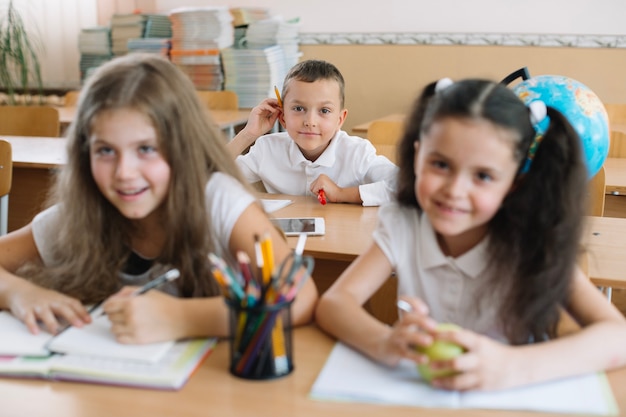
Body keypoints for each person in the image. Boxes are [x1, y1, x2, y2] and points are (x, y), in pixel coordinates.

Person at [315, 78, 626, 391]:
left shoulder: (529, 238)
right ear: (418, 155)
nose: (455, 190)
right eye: (440, 164)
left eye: (483, 175)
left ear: (513, 182)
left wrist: (511, 366)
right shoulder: (403, 222)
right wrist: (384, 341)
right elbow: (335, 302)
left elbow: (618, 337)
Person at [0, 53, 317, 344]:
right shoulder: (83, 211)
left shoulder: (219, 200)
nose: (124, 172)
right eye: (105, 151)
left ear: (182, 148)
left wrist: (181, 319)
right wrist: (18, 292)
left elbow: (300, 297)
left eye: (146, 149)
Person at [227, 59, 398, 207]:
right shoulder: (267, 149)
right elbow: (206, 178)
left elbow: (405, 187)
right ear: (283, 116)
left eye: (324, 110)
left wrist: (341, 194)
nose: (310, 121)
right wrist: (248, 134)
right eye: (299, 108)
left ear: (340, 119)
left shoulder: (357, 153)